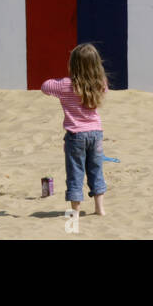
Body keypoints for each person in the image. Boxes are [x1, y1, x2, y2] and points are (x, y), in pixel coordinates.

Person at [40, 43, 108, 217]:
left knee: (75, 173)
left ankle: (75, 211)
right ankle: (100, 209)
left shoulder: (65, 85)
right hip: (96, 133)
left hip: (76, 135)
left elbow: (45, 86)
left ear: (73, 65)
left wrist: (64, 81)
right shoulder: (100, 83)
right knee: (96, 170)